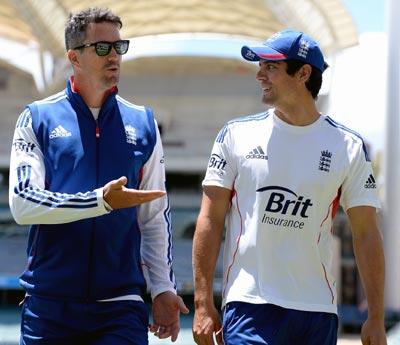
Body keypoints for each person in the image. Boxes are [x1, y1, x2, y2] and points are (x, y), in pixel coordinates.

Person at [192, 29, 387, 345]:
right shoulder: (235, 135)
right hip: (249, 305)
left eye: (270, 67)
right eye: (260, 66)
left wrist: (376, 317)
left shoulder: (348, 147)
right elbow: (209, 220)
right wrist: (202, 304)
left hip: (317, 311)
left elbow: (366, 232)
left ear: (303, 73)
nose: (259, 75)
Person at [9, 7, 188, 345]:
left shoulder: (144, 123)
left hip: (120, 307)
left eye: (119, 47)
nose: (114, 57)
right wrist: (100, 202)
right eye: (102, 48)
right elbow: (23, 204)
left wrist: (163, 288)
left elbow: (153, 217)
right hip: (49, 305)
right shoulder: (36, 119)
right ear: (74, 57)